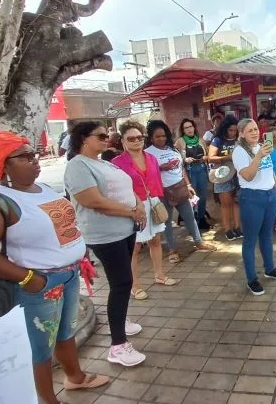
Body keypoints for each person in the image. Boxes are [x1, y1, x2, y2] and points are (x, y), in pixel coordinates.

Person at [0, 132, 110, 403]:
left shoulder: (43, 189)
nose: (35, 161)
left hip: (70, 276)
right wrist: (29, 279)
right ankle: (49, 399)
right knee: (40, 349)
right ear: (5, 165)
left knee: (65, 333)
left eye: (33, 154)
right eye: (25, 157)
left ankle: (75, 378)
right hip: (38, 285)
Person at [64, 121, 146, 367]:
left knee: (122, 283)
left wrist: (139, 207)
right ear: (84, 139)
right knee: (122, 283)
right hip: (105, 235)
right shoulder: (77, 165)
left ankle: (119, 321)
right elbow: (93, 201)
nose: (106, 138)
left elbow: (128, 188)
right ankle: (118, 346)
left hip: (125, 230)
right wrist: (131, 212)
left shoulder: (103, 162)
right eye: (100, 135)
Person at [113, 121, 178, 301]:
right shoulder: (117, 163)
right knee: (134, 247)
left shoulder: (151, 158)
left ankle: (160, 275)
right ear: (123, 141)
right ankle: (134, 285)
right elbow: (116, 189)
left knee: (155, 240)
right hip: (132, 207)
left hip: (152, 202)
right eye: (131, 138)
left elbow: (156, 181)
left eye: (139, 137)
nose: (136, 141)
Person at [232, 118, 276, 296]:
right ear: (241, 133)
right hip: (252, 198)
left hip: (269, 195)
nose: (255, 132)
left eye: (256, 129)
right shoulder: (239, 151)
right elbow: (247, 176)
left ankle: (269, 268)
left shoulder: (262, 146)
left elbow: (270, 172)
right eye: (250, 130)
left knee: (267, 236)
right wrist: (259, 156)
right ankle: (251, 279)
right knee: (250, 240)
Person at [145, 120, 214, 263]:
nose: (161, 139)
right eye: (157, 136)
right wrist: (160, 168)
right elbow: (145, 173)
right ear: (151, 138)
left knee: (189, 216)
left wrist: (188, 184)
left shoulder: (173, 149)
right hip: (162, 191)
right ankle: (172, 250)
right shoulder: (147, 153)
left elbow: (181, 168)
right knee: (167, 221)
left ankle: (198, 242)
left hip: (180, 186)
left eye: (163, 135)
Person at [209, 115, 242, 241]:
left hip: (237, 175)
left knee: (236, 202)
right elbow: (210, 157)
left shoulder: (238, 140)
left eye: (235, 130)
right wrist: (227, 158)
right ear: (225, 129)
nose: (233, 133)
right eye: (231, 130)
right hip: (222, 175)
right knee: (226, 204)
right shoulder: (217, 140)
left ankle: (238, 228)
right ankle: (228, 229)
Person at [175, 118, 211, 231]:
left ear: (194, 127)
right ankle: (192, 220)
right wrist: (185, 160)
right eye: (186, 127)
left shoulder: (201, 140)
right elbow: (176, 159)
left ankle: (201, 219)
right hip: (189, 171)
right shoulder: (179, 142)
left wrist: (205, 158)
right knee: (192, 197)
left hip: (201, 169)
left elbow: (208, 155)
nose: (189, 129)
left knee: (203, 196)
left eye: (190, 126)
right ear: (183, 130)